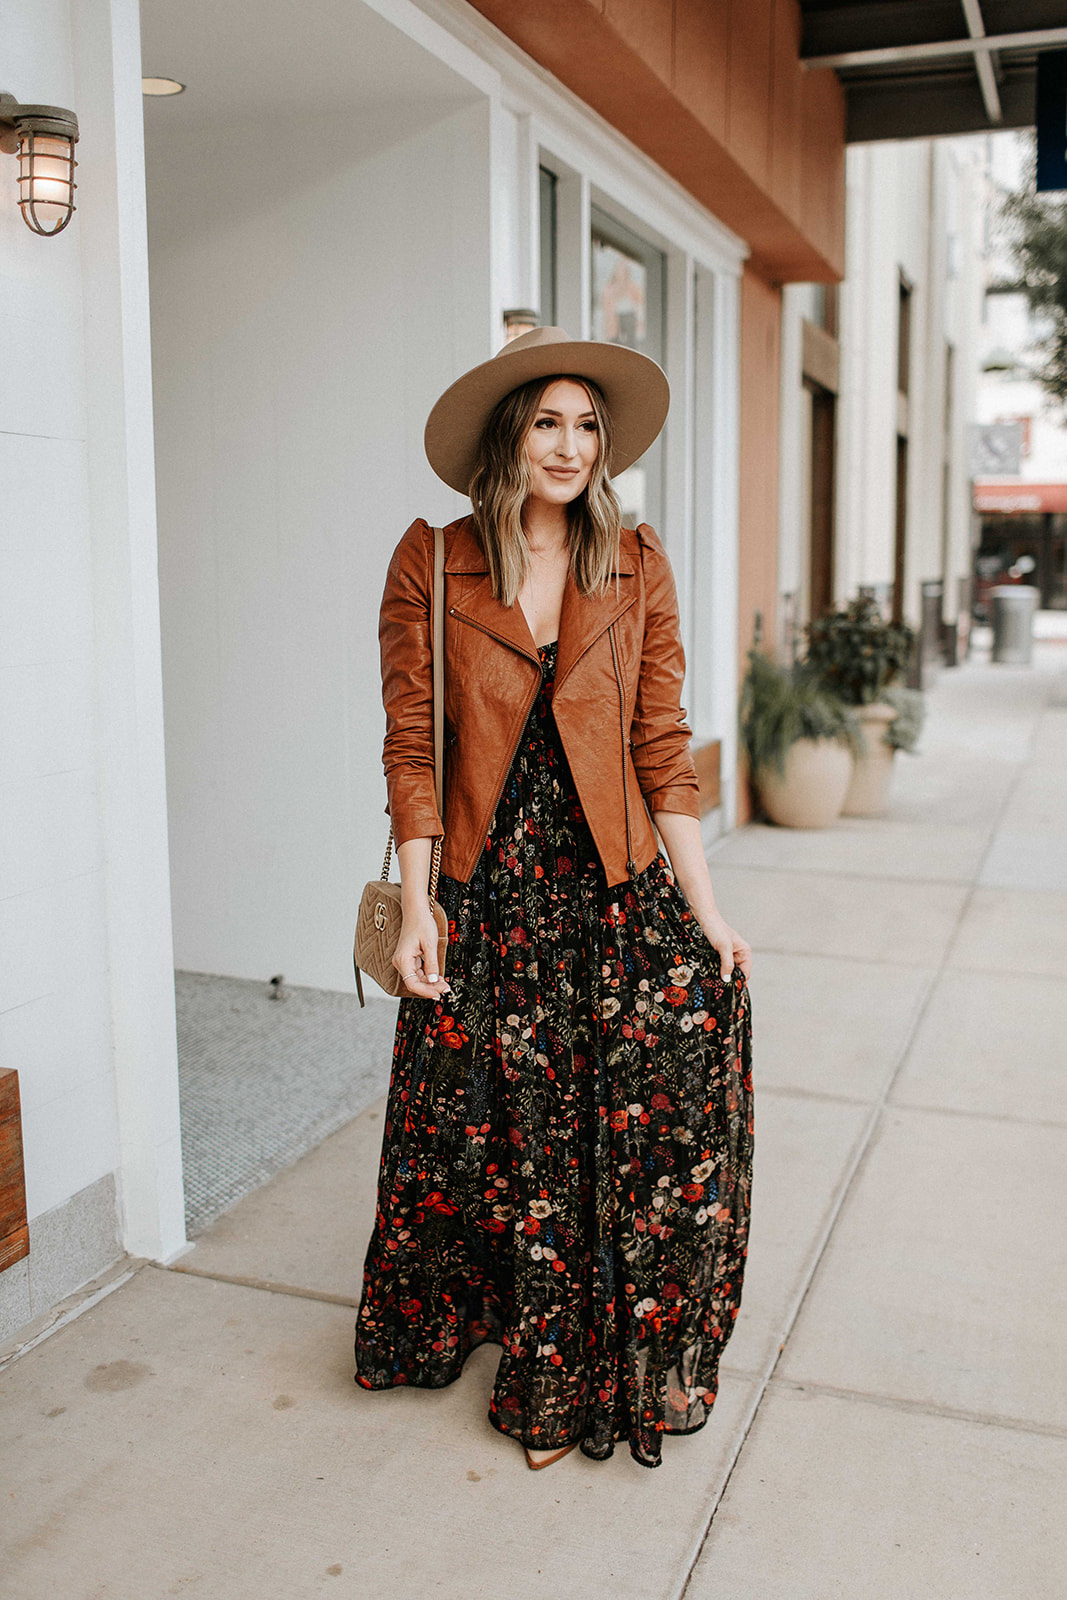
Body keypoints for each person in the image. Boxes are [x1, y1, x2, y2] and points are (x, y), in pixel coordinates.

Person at [353, 326, 754, 1470]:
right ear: (507, 437)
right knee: (510, 1137)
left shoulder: (634, 560)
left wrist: (707, 910)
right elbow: (412, 748)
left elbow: (661, 747)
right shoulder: (429, 563)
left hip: (610, 886)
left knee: (625, 1116)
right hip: (490, 892)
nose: (570, 445)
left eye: (588, 425)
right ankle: (529, 1360)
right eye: (547, 422)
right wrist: (424, 904)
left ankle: (584, 1359)